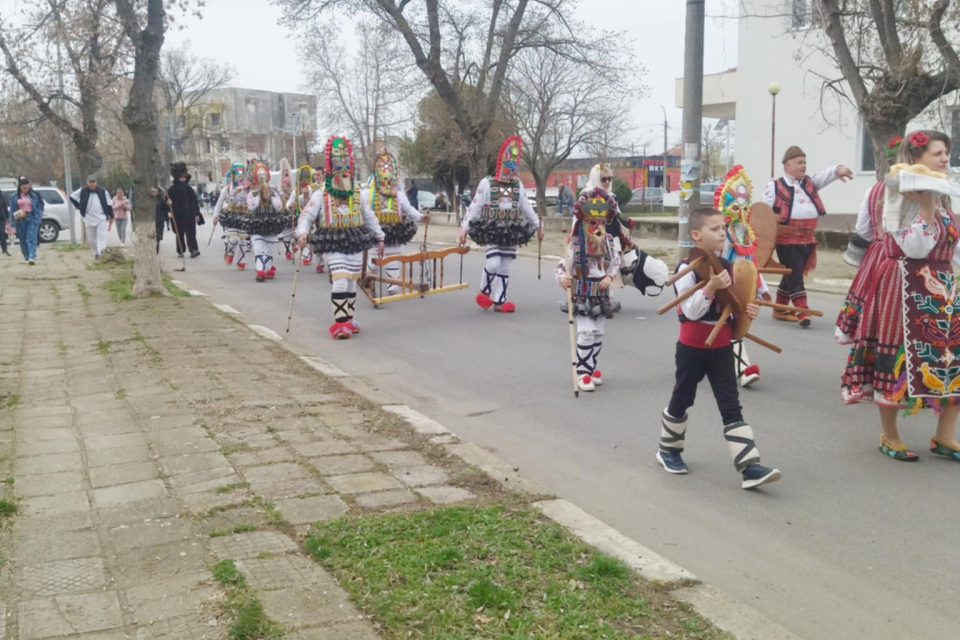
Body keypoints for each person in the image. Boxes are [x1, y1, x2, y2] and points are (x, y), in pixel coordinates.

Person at [839, 130, 960, 462]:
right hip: (904, 285)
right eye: (938, 153)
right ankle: (890, 435)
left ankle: (945, 436)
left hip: (943, 287)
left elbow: (953, 245)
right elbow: (914, 246)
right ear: (917, 157)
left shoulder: (945, 194)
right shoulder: (895, 194)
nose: (945, 158)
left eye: (946, 152)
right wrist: (925, 203)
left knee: (952, 359)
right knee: (898, 359)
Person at [657, 207, 782, 490]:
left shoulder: (729, 268)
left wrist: (747, 310)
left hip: (722, 347)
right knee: (683, 397)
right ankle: (668, 450)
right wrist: (710, 288)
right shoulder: (684, 270)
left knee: (730, 404)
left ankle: (750, 468)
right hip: (692, 348)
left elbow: (735, 310)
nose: (722, 234)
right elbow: (690, 311)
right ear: (696, 235)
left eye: (723, 229)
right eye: (714, 229)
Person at [296, 135, 384, 339]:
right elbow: (307, 215)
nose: (341, 168)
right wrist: (302, 233)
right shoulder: (321, 194)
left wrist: (380, 237)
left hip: (355, 240)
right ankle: (340, 323)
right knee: (341, 279)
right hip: (332, 242)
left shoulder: (356, 193)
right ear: (330, 167)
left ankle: (348, 318)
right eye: (337, 164)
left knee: (352, 281)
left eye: (344, 163)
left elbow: (369, 215)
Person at [760, 146, 853, 327]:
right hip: (786, 239)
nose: (803, 166)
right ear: (787, 166)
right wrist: (772, 218)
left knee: (792, 273)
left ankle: (779, 307)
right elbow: (763, 213)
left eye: (804, 162)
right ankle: (802, 310)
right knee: (795, 274)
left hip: (808, 239)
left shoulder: (810, 182)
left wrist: (838, 170)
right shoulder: (774, 186)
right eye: (799, 163)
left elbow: (826, 174)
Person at [459, 135, 543, 312]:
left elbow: (526, 207)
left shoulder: (518, 185)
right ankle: (484, 292)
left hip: (511, 230)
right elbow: (475, 206)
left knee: (505, 265)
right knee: (493, 263)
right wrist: (464, 229)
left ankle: (499, 301)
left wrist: (538, 226)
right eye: (509, 167)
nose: (512, 172)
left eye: (514, 168)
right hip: (491, 228)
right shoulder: (487, 183)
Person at [556, 185, 622, 392]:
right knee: (586, 332)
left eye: (602, 222)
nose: (598, 226)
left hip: (601, 293)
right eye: (593, 222)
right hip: (582, 291)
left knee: (599, 333)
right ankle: (582, 373)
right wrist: (563, 279)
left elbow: (616, 262)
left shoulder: (609, 242)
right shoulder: (575, 243)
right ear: (584, 222)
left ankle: (591, 368)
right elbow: (562, 265)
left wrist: (610, 276)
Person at [715, 165, 772, 388]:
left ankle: (718, 361)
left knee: (734, 325)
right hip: (724, 285)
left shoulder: (746, 233)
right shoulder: (723, 234)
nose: (741, 212)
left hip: (742, 287)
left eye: (745, 207)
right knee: (731, 324)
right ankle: (743, 368)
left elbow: (752, 264)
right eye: (736, 207)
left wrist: (762, 289)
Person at [363, 152, 428, 296]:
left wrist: (421, 217)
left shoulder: (399, 194)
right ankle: (368, 281)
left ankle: (393, 286)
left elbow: (409, 209)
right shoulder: (368, 193)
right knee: (374, 259)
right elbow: (362, 210)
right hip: (375, 230)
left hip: (394, 231)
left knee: (393, 258)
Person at [244, 163, 287, 282]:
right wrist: (259, 196)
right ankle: (260, 271)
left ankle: (267, 269)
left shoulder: (274, 192)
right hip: (257, 224)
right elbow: (251, 207)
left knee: (269, 250)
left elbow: (279, 207)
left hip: (271, 223)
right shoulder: (252, 193)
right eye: (260, 177)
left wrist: (270, 196)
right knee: (258, 248)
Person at [213, 163, 251, 269]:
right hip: (232, 216)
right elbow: (219, 203)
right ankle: (229, 252)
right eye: (237, 174)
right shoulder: (227, 189)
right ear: (233, 175)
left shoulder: (247, 189)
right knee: (233, 239)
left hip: (244, 216)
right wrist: (215, 216)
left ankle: (241, 260)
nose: (239, 177)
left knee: (243, 240)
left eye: (241, 174)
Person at [71, 175, 113, 259]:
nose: (92, 184)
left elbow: (109, 204)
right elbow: (72, 197)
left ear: (96, 182)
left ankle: (102, 254)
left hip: (101, 217)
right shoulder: (83, 190)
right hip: (89, 218)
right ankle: (96, 252)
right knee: (92, 238)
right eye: (90, 182)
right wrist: (80, 207)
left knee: (102, 236)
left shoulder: (103, 191)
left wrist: (111, 216)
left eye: (94, 182)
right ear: (87, 182)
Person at [166, 163, 201, 258]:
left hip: (190, 214)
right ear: (177, 178)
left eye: (184, 177)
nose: (183, 179)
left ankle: (193, 250)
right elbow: (166, 202)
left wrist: (197, 213)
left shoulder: (189, 189)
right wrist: (168, 209)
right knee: (179, 233)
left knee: (191, 233)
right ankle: (180, 250)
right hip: (177, 215)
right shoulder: (171, 190)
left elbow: (194, 202)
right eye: (181, 177)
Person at [285, 165, 316, 268]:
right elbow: (289, 202)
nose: (305, 183)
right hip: (301, 217)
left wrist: (307, 196)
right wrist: (290, 205)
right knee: (302, 235)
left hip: (314, 217)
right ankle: (306, 256)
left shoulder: (315, 189)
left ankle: (316, 257)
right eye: (302, 180)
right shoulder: (296, 190)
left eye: (307, 180)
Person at [9, 177, 44, 264]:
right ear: (20, 187)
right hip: (20, 219)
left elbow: (38, 207)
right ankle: (26, 256)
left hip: (31, 217)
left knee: (31, 238)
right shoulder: (14, 196)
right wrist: (12, 222)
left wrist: (38, 217)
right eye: (24, 188)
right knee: (23, 239)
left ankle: (32, 256)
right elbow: (12, 209)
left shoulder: (33, 195)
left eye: (27, 188)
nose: (26, 190)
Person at [153, 187, 169, 253]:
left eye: (155, 191)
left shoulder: (160, 200)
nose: (154, 193)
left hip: (159, 219)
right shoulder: (146, 200)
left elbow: (165, 208)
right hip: (149, 220)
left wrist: (168, 204)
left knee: (157, 236)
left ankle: (156, 248)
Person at [0, 190, 9, 256]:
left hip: (1, 218)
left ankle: (4, 249)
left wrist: (7, 217)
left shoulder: (2, 196)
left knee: (2, 233)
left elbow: (5, 207)